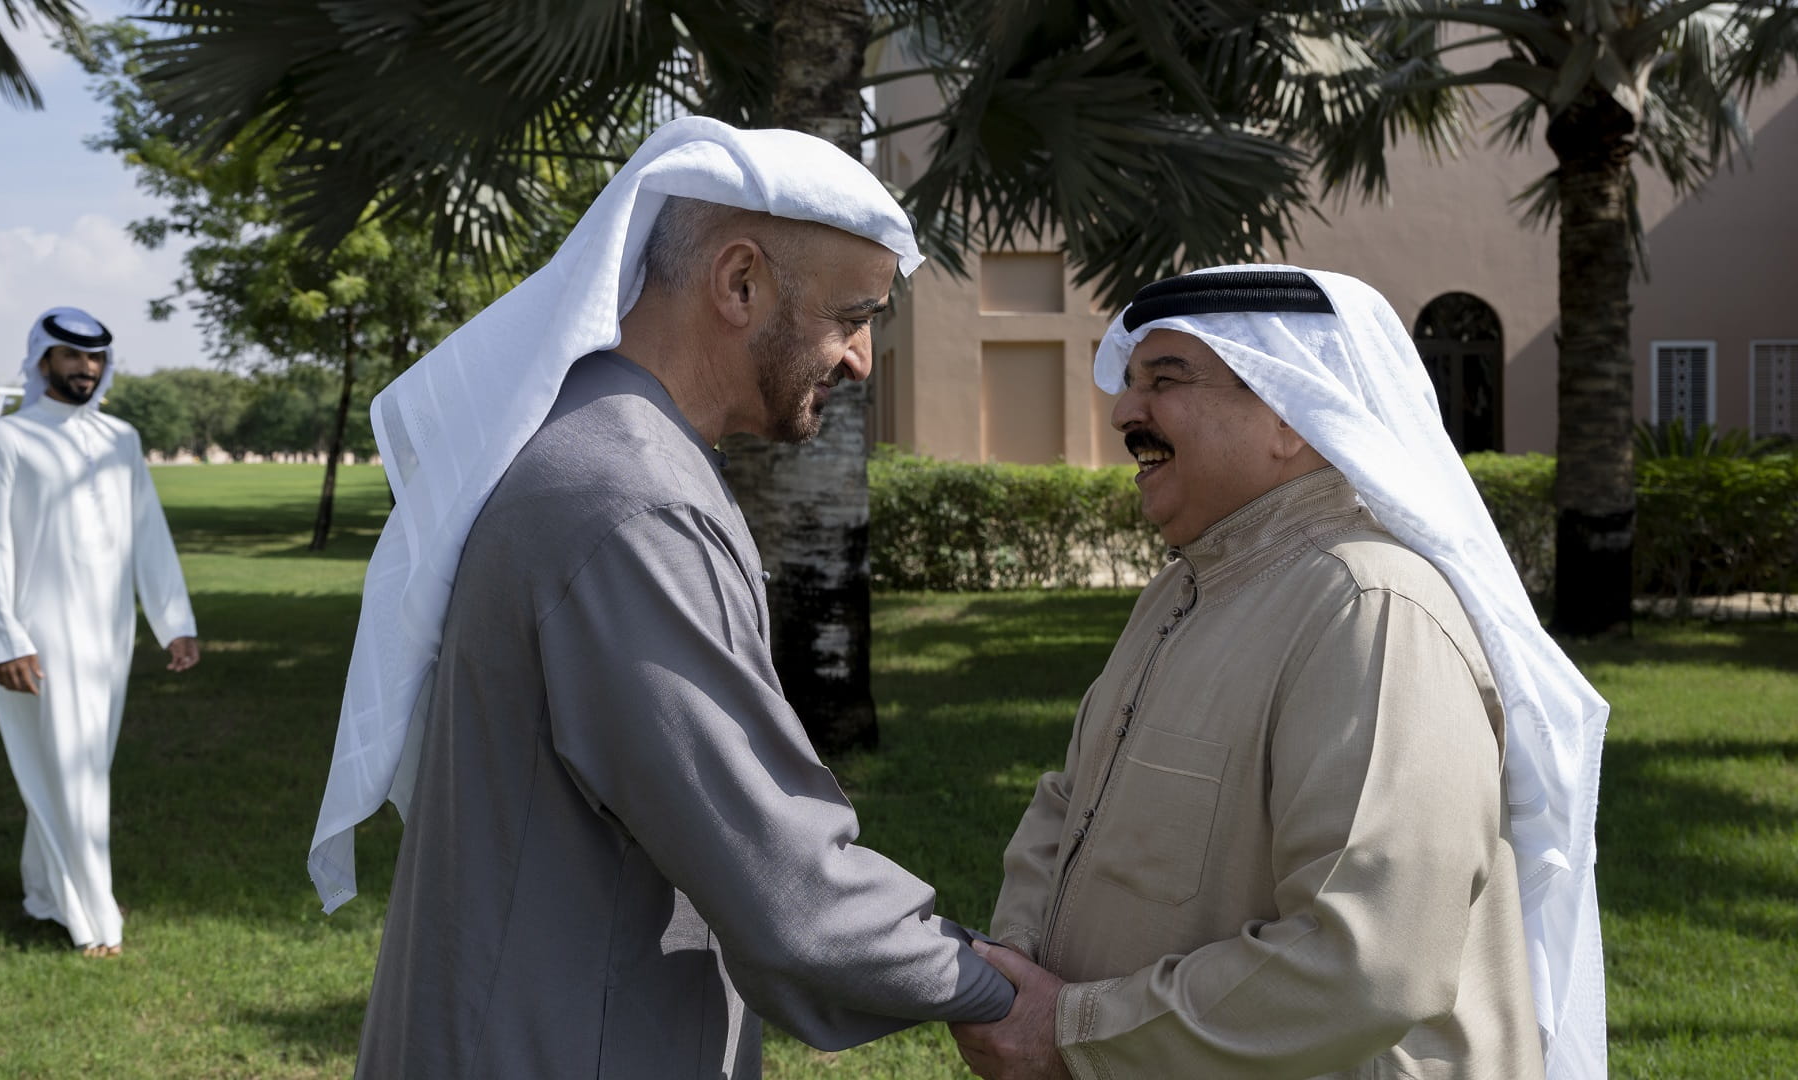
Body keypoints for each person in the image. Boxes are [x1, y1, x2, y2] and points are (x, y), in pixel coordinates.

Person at [309, 117, 1014, 1078]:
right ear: (740, 282)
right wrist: (996, 987)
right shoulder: (635, 497)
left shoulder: (597, 439)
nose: (859, 358)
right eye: (851, 317)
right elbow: (788, 890)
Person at [951, 267, 1608, 1080]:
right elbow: (1066, 804)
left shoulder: (1371, 609)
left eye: (1165, 380)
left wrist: (1076, 1032)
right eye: (1131, 382)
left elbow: (1365, 962)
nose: (1123, 412)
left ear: (1290, 413)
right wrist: (1018, 970)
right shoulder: (1182, 591)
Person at [0, 307, 200, 958]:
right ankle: (94, 918)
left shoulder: (121, 439)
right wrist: (7, 638)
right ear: (43, 360)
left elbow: (149, 534)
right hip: (40, 636)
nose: (85, 368)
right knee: (73, 773)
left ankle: (45, 892)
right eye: (71, 355)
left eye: (94, 357)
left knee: (80, 767)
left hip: (108, 637)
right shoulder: (7, 440)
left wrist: (174, 622)